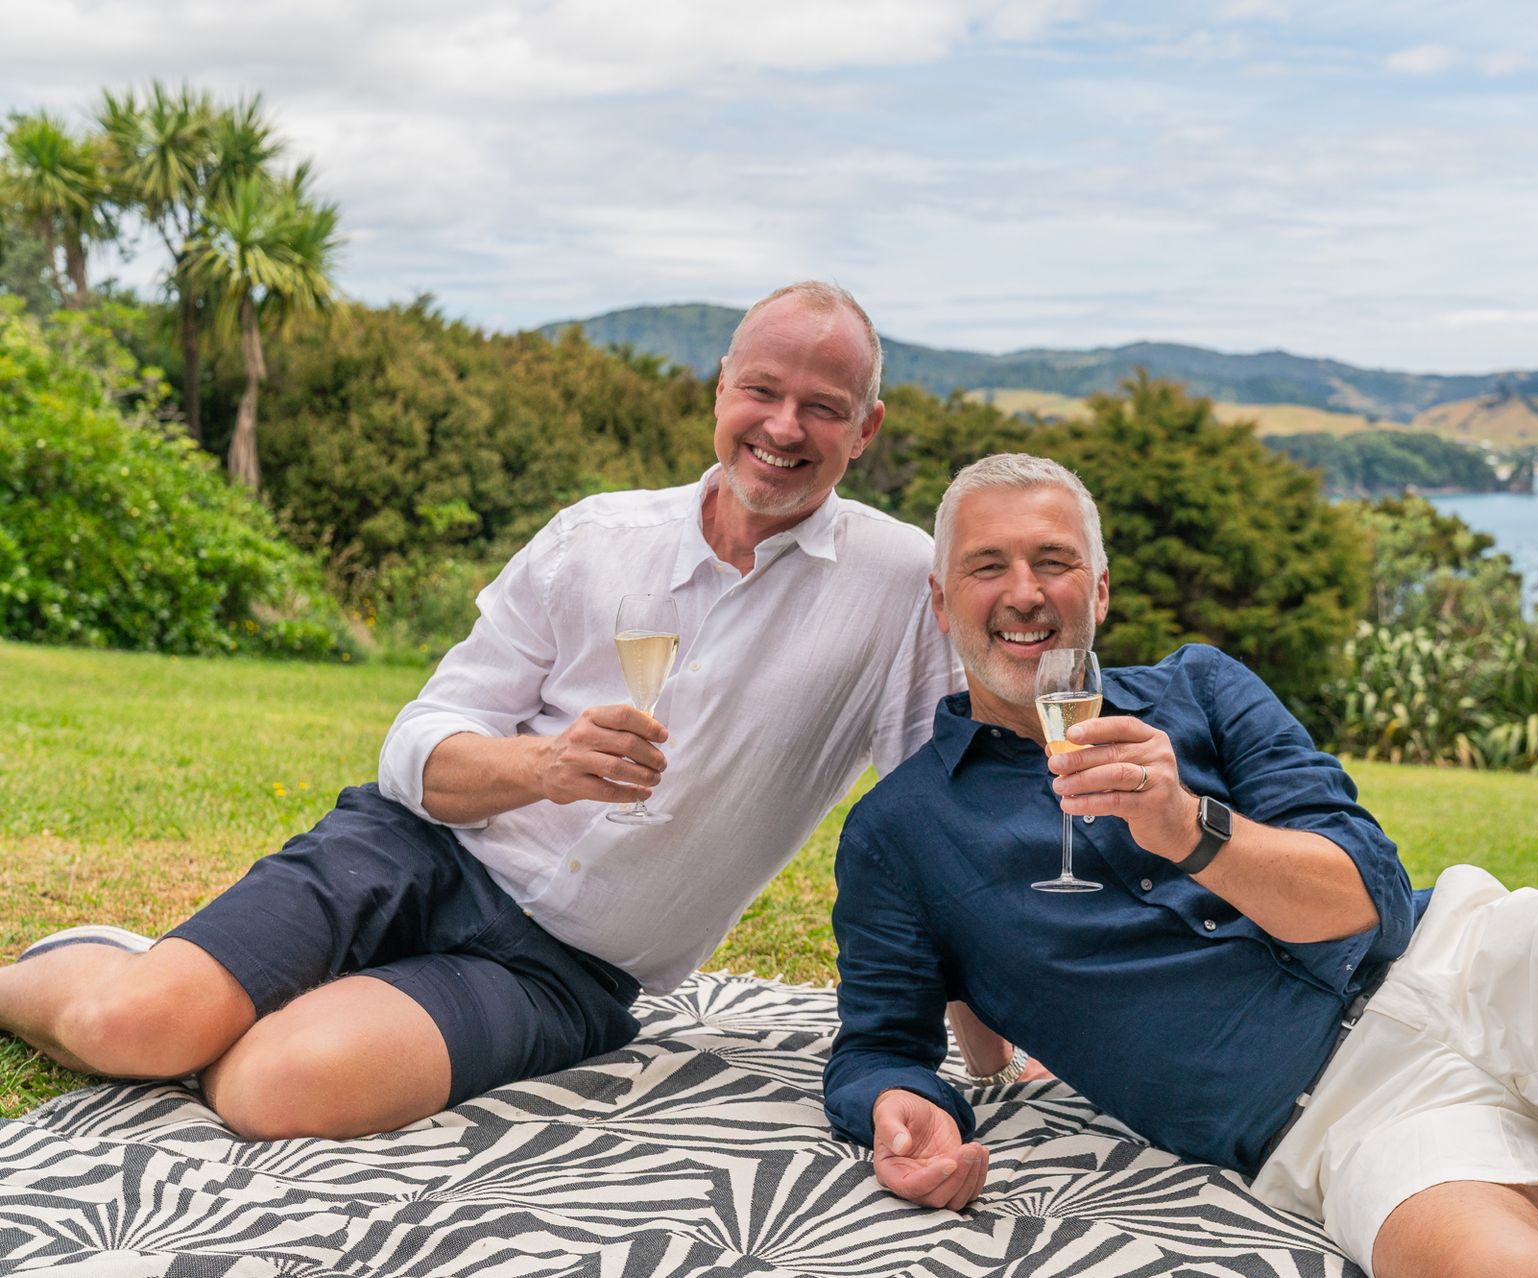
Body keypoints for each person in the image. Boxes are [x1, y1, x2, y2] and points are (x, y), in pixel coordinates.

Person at [823, 452, 1538, 1278]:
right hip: (1333, 1117)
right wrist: (897, 1108)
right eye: (988, 567)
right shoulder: (899, 835)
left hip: (1464, 962)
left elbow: (1368, 892)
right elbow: (881, 1043)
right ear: (941, 601)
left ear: (1098, 592)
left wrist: (1192, 827)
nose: (1025, 592)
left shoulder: (1204, 690)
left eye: (1055, 563)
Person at [0, 280, 963, 1141]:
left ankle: (244, 998)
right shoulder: (594, 538)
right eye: (763, 391)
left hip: (563, 971)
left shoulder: (900, 586)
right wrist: (541, 771)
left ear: (866, 429)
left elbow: (936, 821)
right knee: (135, 1026)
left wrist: (999, 1023)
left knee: (271, 1089)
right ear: (721, 389)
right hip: (412, 851)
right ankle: (115, 980)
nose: (784, 427)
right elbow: (414, 746)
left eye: (822, 408)